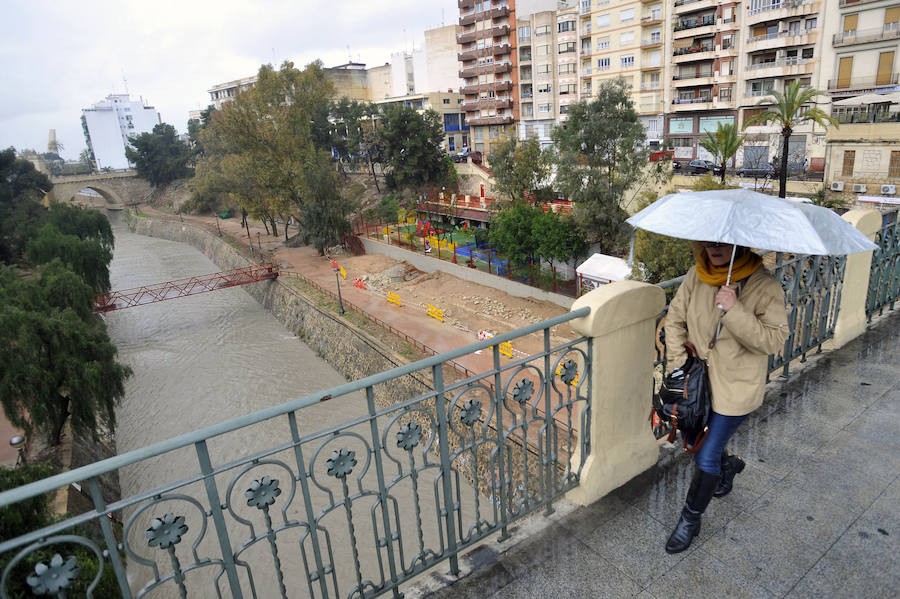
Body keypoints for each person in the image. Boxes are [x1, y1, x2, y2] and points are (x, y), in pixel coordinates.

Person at [663, 241, 788, 553]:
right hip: (696, 382)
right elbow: (675, 317)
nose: (714, 248)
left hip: (735, 387)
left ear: (740, 244)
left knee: (705, 456)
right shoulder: (698, 274)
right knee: (697, 442)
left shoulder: (764, 286)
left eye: (723, 242)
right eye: (709, 241)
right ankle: (729, 465)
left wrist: (735, 309)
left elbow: (773, 341)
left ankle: (690, 520)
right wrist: (679, 365)